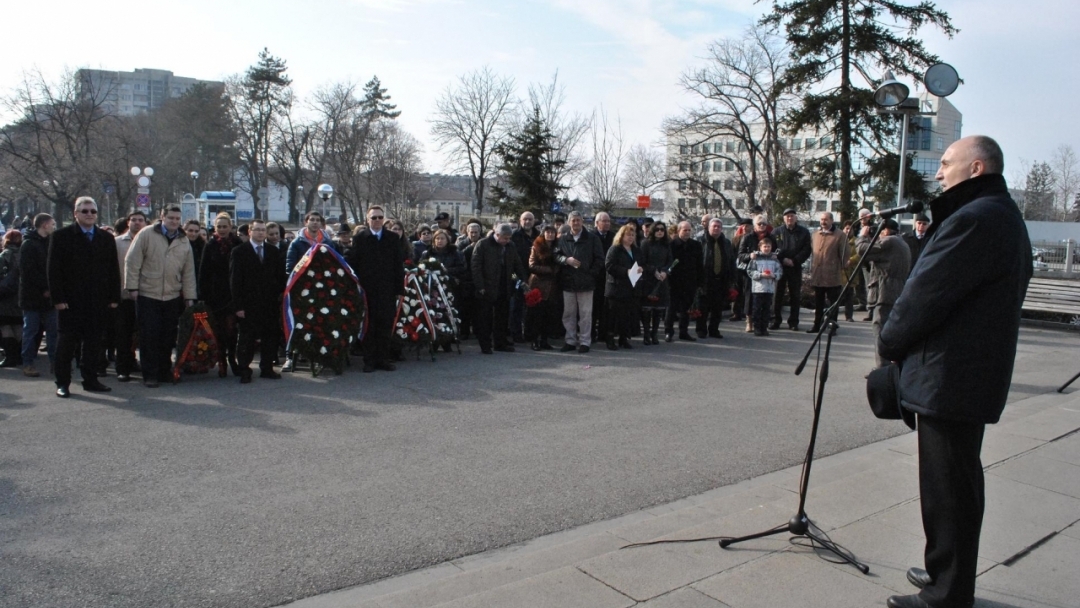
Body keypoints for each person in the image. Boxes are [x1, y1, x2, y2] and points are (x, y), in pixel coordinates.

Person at [878, 136, 1032, 608]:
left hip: (953, 376)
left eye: (947, 164)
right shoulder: (994, 214)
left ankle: (947, 593)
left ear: (976, 167)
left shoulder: (974, 219)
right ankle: (946, 569)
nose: (940, 172)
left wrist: (888, 341)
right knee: (953, 485)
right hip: (963, 373)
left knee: (949, 490)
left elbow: (926, 294)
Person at [47, 197, 121, 397]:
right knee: (66, 345)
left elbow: (113, 269)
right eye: (85, 211)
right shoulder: (62, 236)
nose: (89, 215)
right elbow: (53, 270)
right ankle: (62, 383)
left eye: (93, 211)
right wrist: (58, 299)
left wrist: (114, 296)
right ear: (76, 214)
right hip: (70, 301)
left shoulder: (105, 238)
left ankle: (91, 380)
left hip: (98, 301)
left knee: (93, 345)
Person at [125, 205, 197, 388]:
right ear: (162, 217)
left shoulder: (183, 240)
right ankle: (150, 374)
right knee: (149, 336)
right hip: (148, 293)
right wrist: (132, 287)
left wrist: (190, 296)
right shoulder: (147, 234)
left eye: (176, 218)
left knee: (167, 336)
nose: (174, 221)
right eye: (170, 218)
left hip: (172, 295)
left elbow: (188, 271)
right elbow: (132, 261)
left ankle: (165, 371)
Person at [348, 206, 405, 373]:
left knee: (385, 324)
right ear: (367, 220)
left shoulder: (392, 238)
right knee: (369, 326)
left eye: (380, 217)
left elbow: (397, 265)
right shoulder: (360, 238)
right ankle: (369, 360)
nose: (377, 220)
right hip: (368, 289)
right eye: (374, 218)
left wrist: (399, 288)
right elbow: (354, 263)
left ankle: (383, 359)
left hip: (387, 289)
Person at [230, 219, 285, 383]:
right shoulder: (239, 251)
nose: (261, 233)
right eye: (257, 230)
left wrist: (279, 296)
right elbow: (235, 281)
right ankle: (244, 370)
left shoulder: (273, 251)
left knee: (270, 337)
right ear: (250, 232)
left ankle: (267, 368)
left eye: (263, 230)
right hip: (248, 303)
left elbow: (280, 277)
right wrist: (238, 306)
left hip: (269, 303)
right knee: (247, 339)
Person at [856, 218, 910, 369]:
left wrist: (862, 236)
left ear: (885, 230)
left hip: (885, 292)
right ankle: (889, 366)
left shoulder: (890, 242)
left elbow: (863, 250)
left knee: (880, 329)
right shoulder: (901, 242)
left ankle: (883, 368)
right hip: (894, 290)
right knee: (889, 329)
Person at [199, 213, 243, 377]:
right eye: (219, 227)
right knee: (218, 331)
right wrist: (204, 295)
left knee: (232, 331)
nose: (222, 230)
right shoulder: (210, 245)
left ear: (231, 227)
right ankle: (221, 361)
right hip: (215, 295)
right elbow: (203, 272)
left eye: (225, 226)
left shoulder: (238, 244)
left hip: (233, 294)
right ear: (215, 228)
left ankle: (232, 359)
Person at [554, 211, 605, 353]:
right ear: (568, 222)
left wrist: (591, 274)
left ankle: (585, 342)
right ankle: (570, 341)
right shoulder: (563, 239)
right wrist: (566, 260)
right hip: (568, 282)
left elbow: (600, 259)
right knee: (568, 314)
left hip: (586, 283)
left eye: (578, 220)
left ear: (582, 221)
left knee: (585, 314)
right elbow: (556, 256)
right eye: (573, 220)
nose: (576, 223)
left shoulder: (592, 239)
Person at [471, 223, 524, 354]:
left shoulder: (510, 246)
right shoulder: (483, 244)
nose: (507, 240)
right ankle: (485, 345)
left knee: (502, 317)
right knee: (486, 318)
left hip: (504, 286)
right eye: (505, 238)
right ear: (497, 234)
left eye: (509, 238)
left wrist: (519, 279)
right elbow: (476, 266)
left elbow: (516, 265)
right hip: (487, 287)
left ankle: (500, 343)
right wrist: (480, 286)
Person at [17, 214, 58, 377]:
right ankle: (28, 362)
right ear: (44, 225)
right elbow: (28, 272)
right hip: (32, 296)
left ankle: (55, 363)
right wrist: (44, 288)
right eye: (52, 224)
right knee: (31, 331)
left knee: (53, 331)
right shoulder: (28, 244)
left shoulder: (51, 243)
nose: (54, 227)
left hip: (50, 297)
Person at [113, 211, 148, 382]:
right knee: (123, 335)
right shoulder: (117, 243)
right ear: (128, 222)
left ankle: (143, 365)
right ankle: (123, 368)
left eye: (140, 220)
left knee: (144, 334)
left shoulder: (151, 241)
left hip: (147, 295)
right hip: (124, 296)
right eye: (133, 220)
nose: (137, 223)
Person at [770, 209, 812, 331]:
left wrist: (795, 260)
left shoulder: (804, 232)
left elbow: (806, 249)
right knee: (777, 294)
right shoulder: (776, 231)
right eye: (787, 216)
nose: (790, 218)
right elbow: (771, 248)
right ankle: (775, 320)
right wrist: (782, 259)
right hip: (779, 267)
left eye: (792, 216)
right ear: (784, 218)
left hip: (795, 267)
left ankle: (793, 322)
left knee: (795, 295)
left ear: (796, 218)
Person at [604, 224, 644, 350]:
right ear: (621, 236)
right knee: (613, 315)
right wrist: (625, 271)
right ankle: (610, 339)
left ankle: (623, 338)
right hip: (616, 287)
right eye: (628, 235)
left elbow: (641, 263)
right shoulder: (615, 249)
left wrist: (640, 269)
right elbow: (609, 266)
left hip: (630, 287)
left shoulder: (636, 250)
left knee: (626, 315)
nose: (631, 237)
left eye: (633, 235)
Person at [806, 212, 847, 334]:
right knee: (818, 303)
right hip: (818, 276)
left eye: (826, 219)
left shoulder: (840, 235)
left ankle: (832, 327)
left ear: (832, 220)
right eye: (821, 219)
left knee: (833, 304)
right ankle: (816, 325)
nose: (823, 222)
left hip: (832, 276)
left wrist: (842, 266)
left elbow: (844, 255)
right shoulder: (815, 235)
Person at [427, 229, 467, 353]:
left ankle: (447, 340)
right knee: (434, 313)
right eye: (437, 238)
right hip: (432, 289)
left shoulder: (455, 252)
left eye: (442, 238)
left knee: (448, 313)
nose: (439, 241)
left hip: (450, 288)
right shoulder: (428, 253)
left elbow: (462, 268)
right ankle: (433, 340)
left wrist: (445, 271)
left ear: (447, 240)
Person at [695, 218, 736, 339]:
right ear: (709, 227)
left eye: (719, 226)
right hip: (705, 279)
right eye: (714, 226)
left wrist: (732, 279)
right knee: (703, 307)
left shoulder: (726, 243)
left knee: (717, 307)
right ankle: (701, 329)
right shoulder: (701, 241)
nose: (716, 228)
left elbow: (731, 261)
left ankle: (714, 329)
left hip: (721, 279)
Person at [666, 221, 703, 342]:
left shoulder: (696, 245)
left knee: (686, 309)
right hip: (674, 281)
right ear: (678, 231)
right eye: (684, 230)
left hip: (690, 281)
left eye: (689, 230)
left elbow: (699, 265)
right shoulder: (671, 245)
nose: (687, 232)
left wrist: (699, 281)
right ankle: (668, 331)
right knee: (671, 308)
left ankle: (683, 331)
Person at [524, 225, 560, 351]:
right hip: (538, 284)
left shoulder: (558, 247)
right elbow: (532, 266)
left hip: (552, 286)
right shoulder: (536, 247)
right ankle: (535, 341)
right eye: (548, 232)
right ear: (543, 234)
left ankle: (544, 340)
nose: (550, 235)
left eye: (552, 232)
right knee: (536, 316)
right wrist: (549, 270)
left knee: (548, 316)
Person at [736, 215, 773, 333]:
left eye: (764, 224)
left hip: (767, 271)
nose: (762, 226)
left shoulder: (771, 237)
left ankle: (763, 323)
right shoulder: (747, 237)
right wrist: (749, 256)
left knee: (766, 299)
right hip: (750, 272)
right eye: (759, 224)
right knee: (749, 296)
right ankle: (749, 321)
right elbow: (740, 255)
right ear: (754, 225)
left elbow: (777, 251)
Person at [638, 221, 672, 346]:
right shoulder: (645, 243)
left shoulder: (666, 244)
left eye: (662, 230)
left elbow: (670, 261)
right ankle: (646, 334)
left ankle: (654, 333)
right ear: (653, 230)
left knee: (658, 310)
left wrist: (664, 271)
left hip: (662, 279)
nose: (659, 232)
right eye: (657, 229)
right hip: (648, 279)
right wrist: (654, 271)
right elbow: (642, 261)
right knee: (647, 310)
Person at [510, 211, 540, 342]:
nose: (527, 222)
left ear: (533, 221)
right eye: (525, 219)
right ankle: (516, 334)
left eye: (530, 219)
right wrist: (517, 277)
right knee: (517, 307)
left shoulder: (538, 236)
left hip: (535, 276)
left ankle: (530, 334)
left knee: (533, 307)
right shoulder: (514, 236)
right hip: (517, 276)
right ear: (520, 221)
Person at [746, 236, 782, 336]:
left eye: (768, 246)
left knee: (767, 309)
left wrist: (773, 275)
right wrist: (760, 275)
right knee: (757, 309)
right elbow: (750, 271)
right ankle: (757, 327)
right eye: (764, 246)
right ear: (760, 247)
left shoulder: (774, 259)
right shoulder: (755, 259)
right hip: (758, 288)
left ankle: (764, 327)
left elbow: (779, 271)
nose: (767, 248)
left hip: (769, 289)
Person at [591, 212, 616, 343]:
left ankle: (603, 333)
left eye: (608, 221)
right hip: (596, 276)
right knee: (593, 307)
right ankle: (591, 333)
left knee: (605, 308)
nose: (607, 224)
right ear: (597, 223)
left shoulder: (613, 237)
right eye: (604, 221)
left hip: (610, 277)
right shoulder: (591, 236)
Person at [0, 230, 24, 368]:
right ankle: (21, 355)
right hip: (21, 294)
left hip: (5, 296)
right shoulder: (23, 253)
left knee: (5, 325)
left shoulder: (5, 255)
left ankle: (10, 356)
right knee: (18, 325)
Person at [457, 222, 484, 340]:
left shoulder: (483, 243)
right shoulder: (462, 244)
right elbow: (458, 257)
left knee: (478, 309)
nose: (473, 234)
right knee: (465, 309)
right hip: (466, 280)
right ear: (467, 232)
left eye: (476, 232)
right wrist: (471, 247)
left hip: (479, 279)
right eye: (471, 232)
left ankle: (478, 331)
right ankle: (464, 331)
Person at [728, 217, 753, 322]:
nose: (745, 228)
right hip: (738, 268)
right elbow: (732, 253)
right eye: (743, 226)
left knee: (748, 291)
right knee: (736, 290)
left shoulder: (753, 238)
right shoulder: (736, 239)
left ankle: (747, 312)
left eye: (748, 226)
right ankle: (736, 312)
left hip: (750, 268)